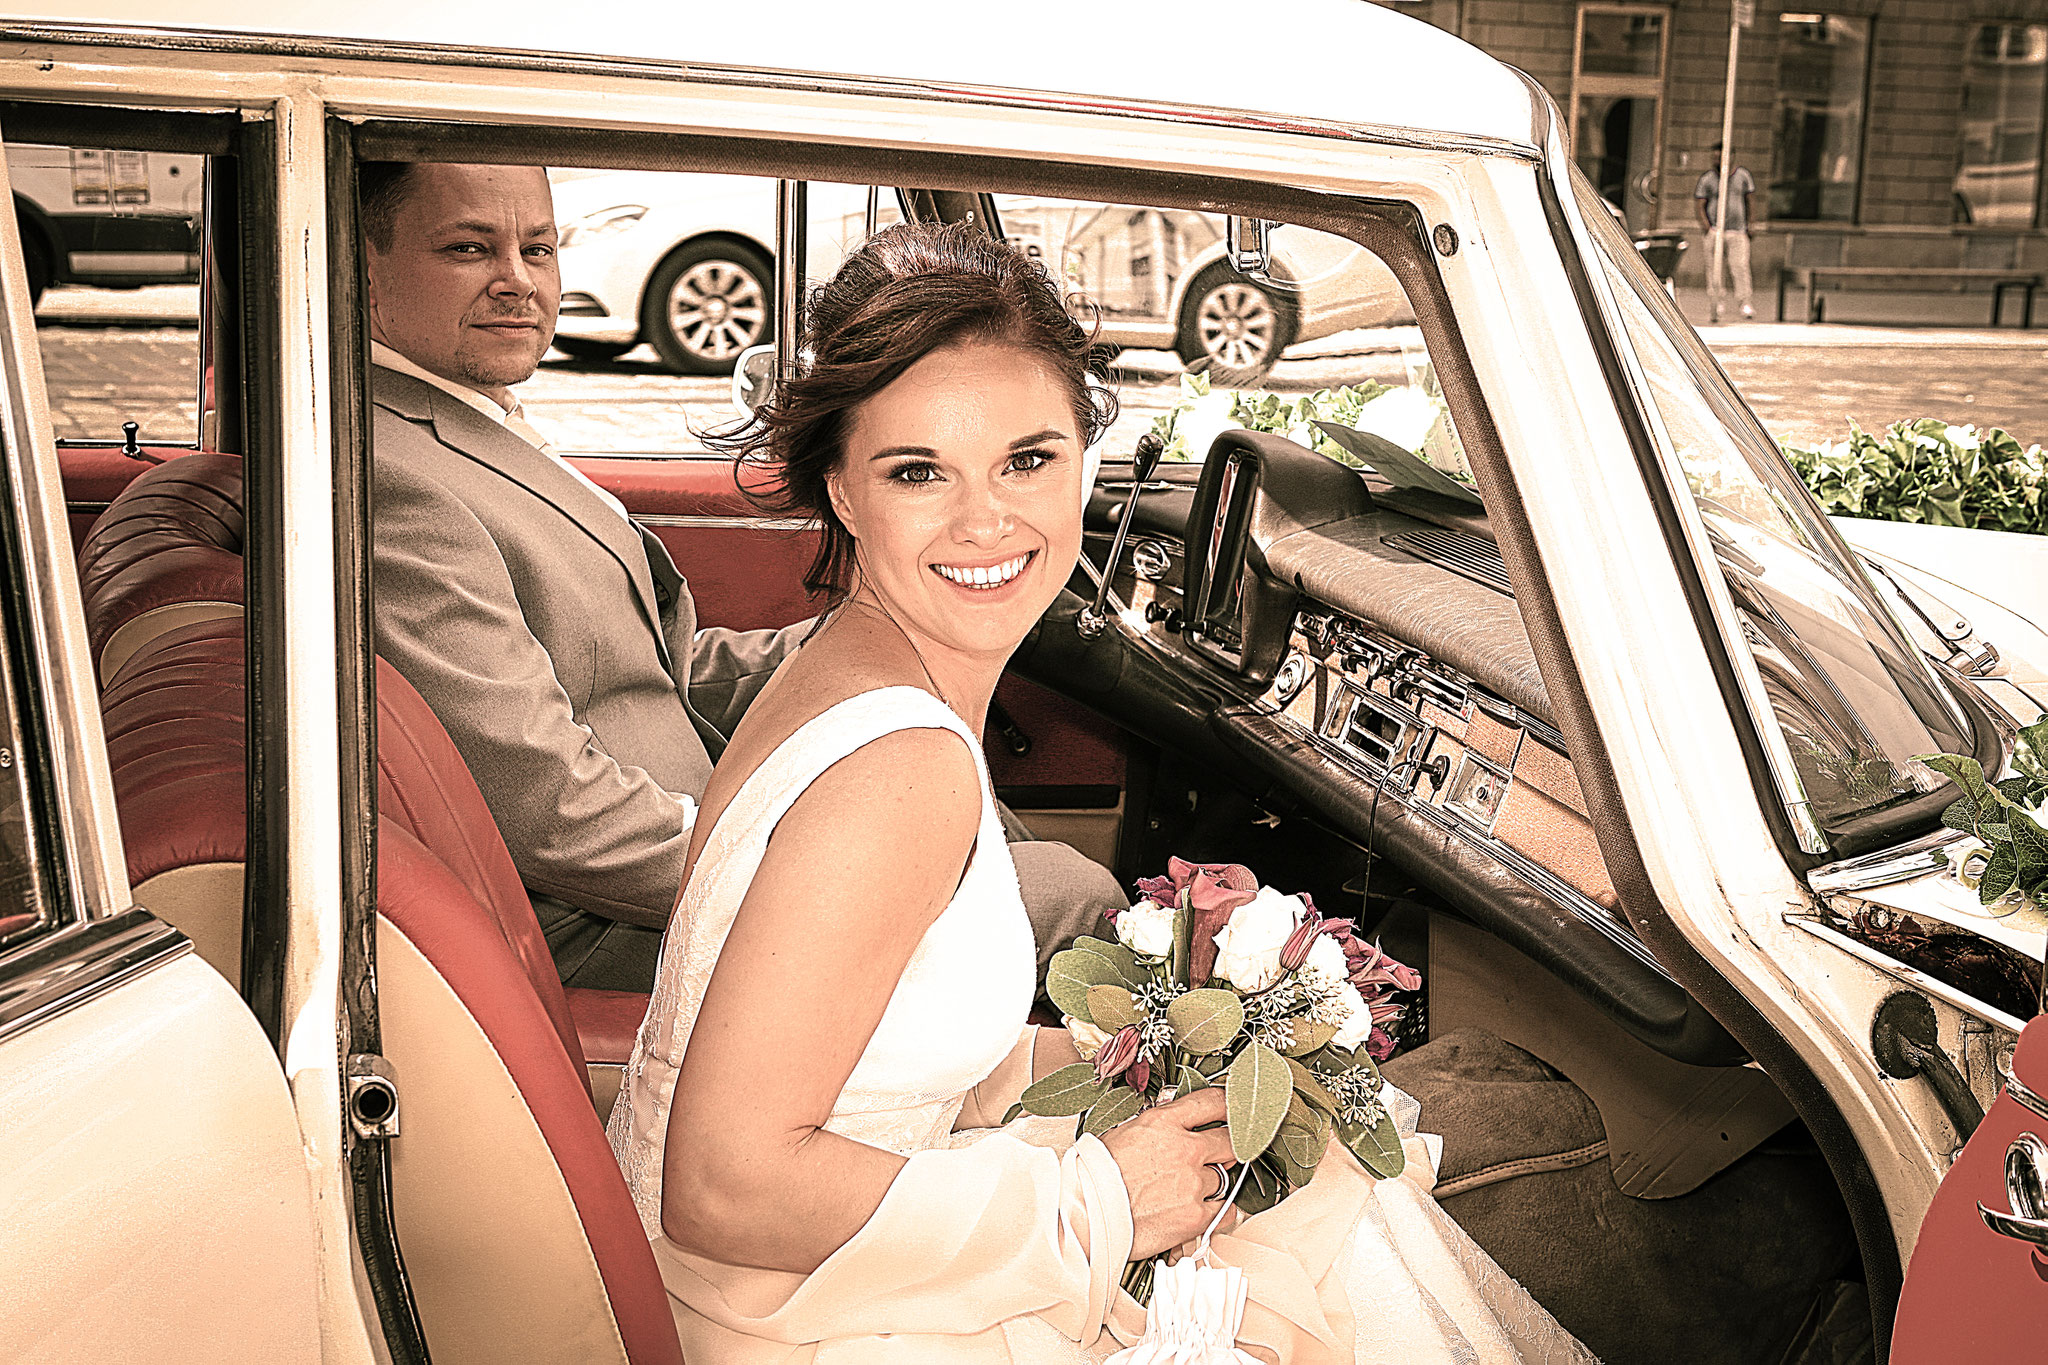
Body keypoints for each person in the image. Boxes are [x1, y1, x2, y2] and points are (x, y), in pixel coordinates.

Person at [606, 220, 1592, 1362]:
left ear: (1086, 456)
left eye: (1027, 459)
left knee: (1301, 1186)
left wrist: (1137, 1050)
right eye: (917, 470)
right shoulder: (896, 769)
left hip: (799, 1259)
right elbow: (723, 1192)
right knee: (1310, 1253)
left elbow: (870, 1049)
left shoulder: (840, 668)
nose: (986, 522)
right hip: (791, 1316)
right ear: (839, 490)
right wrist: (1100, 1198)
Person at [362, 161, 1120, 991]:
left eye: (538, 248)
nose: (517, 281)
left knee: (997, 829)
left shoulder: (464, 424)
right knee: (1076, 898)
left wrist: (868, 640)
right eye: (471, 248)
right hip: (607, 932)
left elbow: (644, 671)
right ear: (364, 262)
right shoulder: (397, 480)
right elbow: (551, 813)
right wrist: (803, 865)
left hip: (689, 829)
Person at [1694, 141, 1756, 322]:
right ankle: (1717, 301)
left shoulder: (1743, 176)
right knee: (1714, 268)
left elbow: (1751, 200)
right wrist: (1706, 226)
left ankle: (1745, 301)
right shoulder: (1707, 178)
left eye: (1719, 156)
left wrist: (1751, 224)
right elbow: (1700, 203)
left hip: (1737, 230)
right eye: (1713, 157)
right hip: (1715, 230)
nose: (1716, 160)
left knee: (1740, 266)